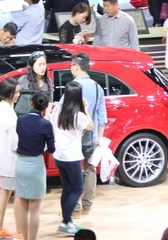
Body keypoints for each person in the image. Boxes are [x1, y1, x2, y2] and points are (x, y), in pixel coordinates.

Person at [64, 53, 105, 217]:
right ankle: (87, 205)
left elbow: (62, 111)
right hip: (91, 136)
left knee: (73, 172)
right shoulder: (97, 87)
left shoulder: (72, 87)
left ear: (75, 67)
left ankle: (75, 209)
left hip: (73, 138)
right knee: (90, 170)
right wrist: (100, 138)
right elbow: (102, 116)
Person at [49, 81, 93, 235]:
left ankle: (66, 222)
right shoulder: (79, 115)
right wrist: (86, 108)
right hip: (72, 157)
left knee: (67, 189)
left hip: (59, 155)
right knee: (77, 189)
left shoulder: (58, 109)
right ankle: (66, 222)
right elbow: (90, 126)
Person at [14, 92, 54, 240]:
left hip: (21, 163)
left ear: (31, 103)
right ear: (45, 107)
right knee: (35, 209)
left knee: (23, 207)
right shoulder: (46, 124)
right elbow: (51, 149)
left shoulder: (21, 119)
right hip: (36, 165)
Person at [0, 78, 21, 239]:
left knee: (5, 193)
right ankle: (18, 231)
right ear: (8, 92)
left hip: (3, 158)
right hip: (9, 159)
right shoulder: (8, 112)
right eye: (15, 92)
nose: (18, 95)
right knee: (14, 195)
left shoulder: (0, 108)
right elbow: (14, 141)